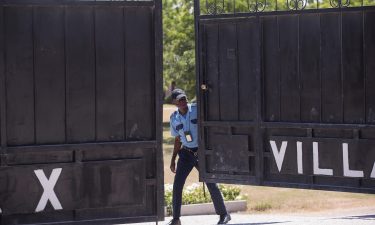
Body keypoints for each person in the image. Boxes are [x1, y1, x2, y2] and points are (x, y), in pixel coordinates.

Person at [167, 89, 231, 225]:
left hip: (201, 152)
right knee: (177, 185)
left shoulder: (197, 109)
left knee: (211, 183)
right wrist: (173, 160)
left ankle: (224, 214)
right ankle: (176, 219)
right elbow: (178, 139)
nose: (183, 101)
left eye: (184, 98)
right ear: (174, 102)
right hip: (185, 154)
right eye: (180, 100)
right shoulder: (174, 118)